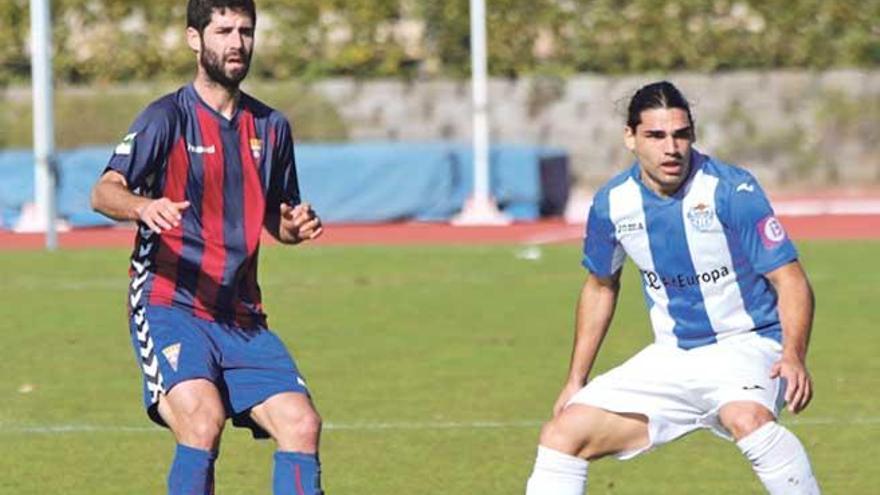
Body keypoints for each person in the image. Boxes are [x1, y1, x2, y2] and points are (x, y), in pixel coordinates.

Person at [524, 81, 821, 494]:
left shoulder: (732, 190)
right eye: (656, 136)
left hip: (747, 345)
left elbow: (789, 278)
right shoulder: (612, 203)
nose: (671, 148)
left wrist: (793, 355)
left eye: (681, 135)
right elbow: (600, 287)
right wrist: (576, 379)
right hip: (671, 356)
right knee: (562, 436)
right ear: (630, 137)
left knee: (748, 420)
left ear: (693, 135)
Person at [90, 1, 325, 493]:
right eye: (223, 31)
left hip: (240, 314)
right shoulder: (166, 117)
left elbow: (276, 220)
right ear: (195, 39)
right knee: (201, 420)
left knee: (301, 425)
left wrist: (294, 226)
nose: (236, 42)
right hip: (170, 303)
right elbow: (104, 191)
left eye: (245, 31)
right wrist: (141, 207)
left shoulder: (271, 127)